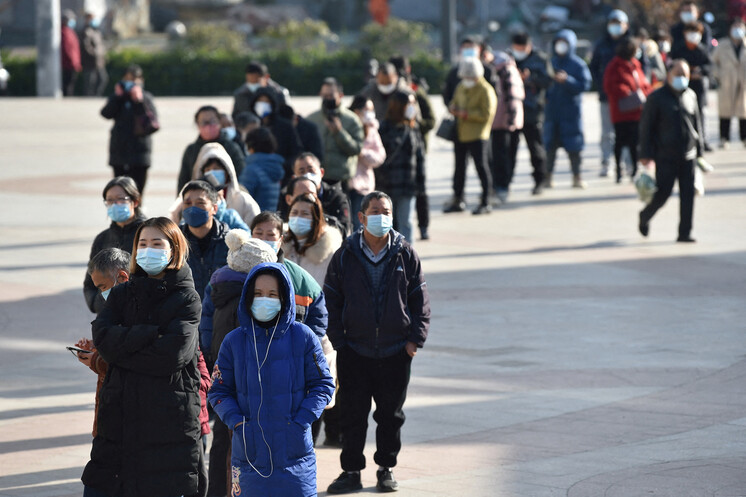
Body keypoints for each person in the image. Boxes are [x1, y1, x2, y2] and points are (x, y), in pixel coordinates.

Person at [82, 217, 202, 497]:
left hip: (167, 425)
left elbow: (172, 356)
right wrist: (150, 335)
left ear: (174, 249)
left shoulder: (187, 298)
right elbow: (104, 338)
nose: (148, 250)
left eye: (157, 243)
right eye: (143, 243)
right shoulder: (123, 293)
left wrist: (123, 345)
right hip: (118, 423)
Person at [324, 191, 430, 494]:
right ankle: (351, 471)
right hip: (354, 350)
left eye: (386, 211)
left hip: (396, 350)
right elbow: (330, 299)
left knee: (390, 416)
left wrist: (414, 341)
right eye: (375, 211)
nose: (381, 217)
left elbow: (419, 299)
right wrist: (339, 341)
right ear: (361, 217)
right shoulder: (345, 254)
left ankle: (386, 468)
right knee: (352, 415)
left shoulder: (405, 252)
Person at [208, 262, 334, 497]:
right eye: (258, 294)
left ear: (284, 298)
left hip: (294, 453)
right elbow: (218, 391)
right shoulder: (234, 341)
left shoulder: (303, 336)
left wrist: (301, 421)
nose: (264, 299)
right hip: (249, 454)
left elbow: (323, 384)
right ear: (248, 297)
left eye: (272, 294)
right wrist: (237, 422)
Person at [199, 231, 278, 497]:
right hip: (247, 379)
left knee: (223, 439)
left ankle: (218, 492)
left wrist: (211, 357)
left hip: (223, 374)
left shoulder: (218, 285)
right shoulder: (246, 298)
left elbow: (206, 324)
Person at [638, 59, 703, 242]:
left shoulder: (690, 95)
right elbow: (646, 128)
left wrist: (700, 153)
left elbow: (697, 124)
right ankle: (645, 215)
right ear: (668, 75)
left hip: (688, 154)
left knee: (688, 196)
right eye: (678, 75)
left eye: (685, 75)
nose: (682, 79)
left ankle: (685, 232)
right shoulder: (656, 98)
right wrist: (644, 154)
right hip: (665, 155)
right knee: (662, 194)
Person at [77, 248, 130, 438]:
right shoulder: (113, 311)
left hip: (125, 421)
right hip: (110, 415)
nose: (102, 294)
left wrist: (95, 360)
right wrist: (95, 348)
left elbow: (126, 362)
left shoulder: (134, 314)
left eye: (103, 287)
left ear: (123, 277)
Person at [389, 55, 435, 240]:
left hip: (411, 174)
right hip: (390, 180)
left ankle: (422, 230)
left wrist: (415, 124)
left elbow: (431, 120)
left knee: (409, 216)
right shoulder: (386, 127)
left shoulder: (416, 91)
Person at [84, 176, 146, 314]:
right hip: (109, 315)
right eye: (110, 200)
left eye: (120, 199)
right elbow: (89, 282)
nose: (114, 204)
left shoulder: (148, 234)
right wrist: (97, 303)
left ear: (135, 201)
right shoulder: (102, 238)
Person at [444, 56, 497, 215]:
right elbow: (453, 101)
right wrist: (453, 108)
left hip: (478, 134)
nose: (467, 79)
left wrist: (465, 114)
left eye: (470, 76)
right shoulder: (461, 86)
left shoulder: (486, 90)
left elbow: (487, 114)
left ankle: (486, 200)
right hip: (460, 133)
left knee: (481, 167)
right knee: (459, 168)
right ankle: (458, 199)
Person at [169, 142, 260, 228]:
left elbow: (254, 229)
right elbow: (173, 217)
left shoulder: (243, 200)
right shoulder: (188, 194)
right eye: (208, 169)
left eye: (217, 169)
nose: (212, 173)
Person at [544, 29, 592, 189]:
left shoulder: (578, 64)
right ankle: (547, 177)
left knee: (574, 147)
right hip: (552, 112)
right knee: (550, 146)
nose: (561, 46)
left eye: (564, 43)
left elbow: (585, 84)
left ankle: (576, 177)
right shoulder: (551, 62)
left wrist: (568, 80)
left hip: (571, 112)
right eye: (559, 43)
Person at [100, 65, 157, 195]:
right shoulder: (118, 97)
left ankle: (138, 214)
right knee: (120, 190)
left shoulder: (146, 97)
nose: (130, 83)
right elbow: (106, 113)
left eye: (134, 79)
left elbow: (152, 124)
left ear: (141, 80)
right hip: (119, 150)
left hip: (140, 152)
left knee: (137, 192)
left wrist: (139, 102)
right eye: (127, 79)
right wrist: (117, 97)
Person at [509, 32, 553, 198]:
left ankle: (539, 181)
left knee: (535, 148)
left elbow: (548, 80)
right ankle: (505, 183)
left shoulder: (539, 59)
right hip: (511, 110)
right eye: (516, 48)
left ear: (529, 46)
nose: (519, 51)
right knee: (508, 149)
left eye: (522, 48)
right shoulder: (508, 58)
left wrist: (530, 79)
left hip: (532, 110)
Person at [603, 37, 652, 182]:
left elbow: (643, 83)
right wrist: (628, 92)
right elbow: (610, 86)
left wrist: (646, 93)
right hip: (621, 112)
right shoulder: (614, 66)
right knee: (620, 141)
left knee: (634, 142)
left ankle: (634, 169)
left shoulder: (635, 65)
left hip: (637, 111)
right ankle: (619, 169)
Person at [378, 90, 425, 241]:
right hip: (387, 184)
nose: (413, 107)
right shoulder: (383, 128)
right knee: (388, 225)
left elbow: (420, 158)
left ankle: (407, 258)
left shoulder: (413, 127)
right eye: (409, 104)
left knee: (406, 223)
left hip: (408, 185)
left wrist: (421, 184)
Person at [590, 9, 632, 177]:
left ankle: (629, 163)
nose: (615, 27)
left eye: (618, 23)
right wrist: (601, 85)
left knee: (628, 131)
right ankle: (607, 162)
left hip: (628, 98)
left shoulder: (631, 44)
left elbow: (642, 67)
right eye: (612, 23)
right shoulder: (601, 44)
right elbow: (593, 67)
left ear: (626, 25)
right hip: (607, 96)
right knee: (607, 132)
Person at [306, 78, 365, 188]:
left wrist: (339, 132)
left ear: (340, 95)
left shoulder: (352, 120)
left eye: (331, 96)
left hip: (341, 180)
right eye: (324, 96)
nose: (327, 99)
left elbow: (356, 149)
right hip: (316, 179)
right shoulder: (312, 119)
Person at [278, 153, 353, 236]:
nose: (307, 175)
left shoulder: (336, 195)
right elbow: (281, 223)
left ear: (321, 172)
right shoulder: (288, 195)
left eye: (311, 170)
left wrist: (317, 216)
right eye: (302, 171)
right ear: (294, 177)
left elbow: (344, 229)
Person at [179, 180, 230, 299]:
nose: (192, 208)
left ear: (214, 208)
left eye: (200, 203)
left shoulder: (230, 242)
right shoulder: (174, 242)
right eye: (188, 203)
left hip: (218, 312)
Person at [178, 105, 246, 194]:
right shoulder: (191, 150)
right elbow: (184, 180)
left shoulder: (231, 147)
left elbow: (242, 175)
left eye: (212, 121)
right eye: (204, 122)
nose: (208, 125)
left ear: (220, 122)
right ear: (197, 125)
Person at [283, 193, 343, 286]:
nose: (298, 217)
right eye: (294, 213)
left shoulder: (329, 252)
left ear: (316, 218)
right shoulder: (280, 247)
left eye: (305, 214)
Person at [489, 51, 526, 202]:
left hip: (503, 121)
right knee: (508, 155)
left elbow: (512, 96)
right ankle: (502, 186)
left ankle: (502, 187)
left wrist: (509, 119)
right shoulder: (512, 69)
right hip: (511, 121)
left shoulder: (503, 71)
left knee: (501, 157)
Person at [670, 21, 713, 151]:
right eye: (690, 32)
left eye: (696, 32)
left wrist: (701, 71)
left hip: (698, 85)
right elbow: (671, 64)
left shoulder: (702, 49)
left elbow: (709, 66)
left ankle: (701, 141)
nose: (693, 35)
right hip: (681, 85)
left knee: (699, 114)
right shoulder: (678, 48)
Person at [348, 95, 386, 232]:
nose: (370, 113)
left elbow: (380, 156)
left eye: (372, 109)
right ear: (357, 111)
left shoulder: (371, 130)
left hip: (362, 184)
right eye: (367, 109)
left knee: (360, 225)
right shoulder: (346, 125)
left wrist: (362, 153)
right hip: (344, 182)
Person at [248, 87, 303, 179]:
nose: (262, 105)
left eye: (266, 102)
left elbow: (296, 152)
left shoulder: (285, 126)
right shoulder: (248, 124)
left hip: (281, 176)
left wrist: (281, 165)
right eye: (260, 101)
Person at [710, 19, 746, 148]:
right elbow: (713, 61)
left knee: (744, 111)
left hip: (743, 82)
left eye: (740, 26)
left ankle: (744, 138)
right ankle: (724, 138)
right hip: (726, 81)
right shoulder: (723, 44)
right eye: (735, 26)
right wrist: (718, 75)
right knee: (725, 111)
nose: (738, 29)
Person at [238, 127, 285, 212]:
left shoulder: (251, 170)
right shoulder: (275, 166)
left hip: (253, 221)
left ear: (251, 147)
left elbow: (241, 201)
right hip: (269, 220)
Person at [442, 37, 497, 107]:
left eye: (471, 47)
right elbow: (447, 95)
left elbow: (495, 95)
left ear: (479, 49)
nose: (468, 50)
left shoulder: (488, 71)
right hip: (460, 115)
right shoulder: (454, 72)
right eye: (465, 47)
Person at [80, 12, 108, 97]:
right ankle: (89, 97)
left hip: (99, 61)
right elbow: (86, 47)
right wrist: (94, 54)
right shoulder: (86, 31)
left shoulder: (96, 31)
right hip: (90, 61)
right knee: (90, 82)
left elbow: (100, 45)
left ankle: (96, 96)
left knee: (102, 79)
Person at [61, 9, 81, 96]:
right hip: (68, 64)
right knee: (67, 85)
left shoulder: (70, 31)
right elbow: (67, 50)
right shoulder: (64, 32)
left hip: (72, 63)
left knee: (71, 84)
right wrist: (73, 62)